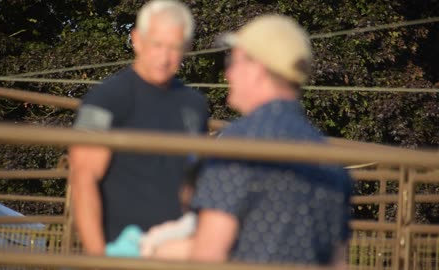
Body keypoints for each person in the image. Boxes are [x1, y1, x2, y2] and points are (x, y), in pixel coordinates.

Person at [152, 15, 352, 267]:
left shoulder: (237, 145)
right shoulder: (329, 159)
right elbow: (338, 261)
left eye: (233, 61)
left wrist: (159, 251)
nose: (228, 72)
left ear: (257, 69)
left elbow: (209, 254)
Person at [68, 0, 209, 256]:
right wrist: (99, 258)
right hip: (120, 249)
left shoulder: (195, 105)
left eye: (174, 47)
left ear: (187, 48)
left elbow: (191, 185)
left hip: (176, 250)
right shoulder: (106, 99)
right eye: (157, 44)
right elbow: (83, 178)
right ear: (137, 39)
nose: (164, 58)